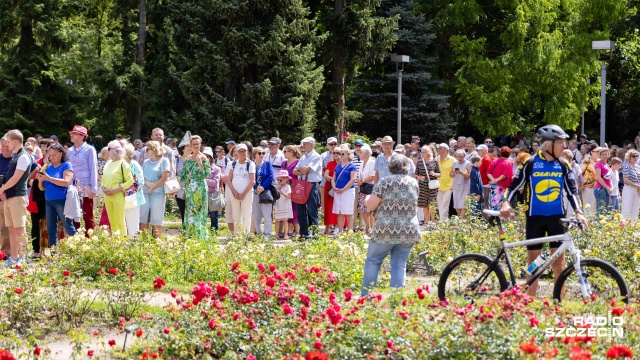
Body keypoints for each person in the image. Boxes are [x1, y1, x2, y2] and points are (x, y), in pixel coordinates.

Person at [500, 125, 588, 297]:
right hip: (535, 219)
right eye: (561, 143)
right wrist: (505, 202)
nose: (565, 147)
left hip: (557, 219)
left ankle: (557, 305)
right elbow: (513, 186)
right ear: (548, 144)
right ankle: (528, 303)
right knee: (534, 265)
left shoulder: (564, 165)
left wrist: (578, 211)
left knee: (558, 265)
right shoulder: (530, 163)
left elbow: (572, 192)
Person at [361, 155, 421, 296]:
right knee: (399, 264)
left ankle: (366, 297)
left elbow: (370, 205)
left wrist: (367, 198)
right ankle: (396, 299)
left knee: (373, 261)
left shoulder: (384, 182)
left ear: (390, 166)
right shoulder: (413, 183)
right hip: (408, 230)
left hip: (385, 229)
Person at [0, 130, 32, 267]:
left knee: (20, 229)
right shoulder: (16, 156)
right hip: (9, 198)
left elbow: (16, 178)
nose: (6, 145)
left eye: (8, 142)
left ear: (15, 141)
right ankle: (13, 257)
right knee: (12, 229)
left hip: (18, 197)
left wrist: (2, 189)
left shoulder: (23, 156)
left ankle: (23, 258)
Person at [37, 143, 77, 248]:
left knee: (68, 226)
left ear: (60, 154)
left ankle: (79, 248)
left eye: (54, 155)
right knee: (51, 228)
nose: (52, 157)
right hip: (49, 201)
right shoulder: (48, 168)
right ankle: (54, 252)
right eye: (50, 155)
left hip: (62, 200)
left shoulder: (66, 165)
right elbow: (42, 188)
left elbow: (66, 181)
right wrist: (40, 180)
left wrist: (49, 178)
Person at [67, 125, 98, 235]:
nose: (71, 135)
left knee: (87, 215)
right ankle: (76, 239)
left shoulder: (90, 150)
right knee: (74, 214)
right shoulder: (70, 151)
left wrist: (94, 188)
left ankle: (89, 240)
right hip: (72, 187)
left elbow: (93, 168)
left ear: (82, 136)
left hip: (86, 186)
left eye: (74, 134)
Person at [180, 135, 211, 240]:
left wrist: (200, 163)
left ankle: (200, 237)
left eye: (198, 144)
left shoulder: (204, 158)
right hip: (190, 190)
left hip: (200, 189)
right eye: (194, 144)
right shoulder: (188, 159)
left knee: (199, 213)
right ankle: (191, 236)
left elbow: (207, 174)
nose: (196, 146)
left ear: (200, 145)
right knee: (190, 212)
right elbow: (183, 176)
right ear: (190, 146)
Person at [101, 140, 133, 237]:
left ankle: (123, 243)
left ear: (115, 151)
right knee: (112, 221)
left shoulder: (123, 164)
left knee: (120, 221)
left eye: (109, 149)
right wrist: (103, 188)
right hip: (107, 196)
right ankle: (116, 242)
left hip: (118, 195)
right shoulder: (108, 163)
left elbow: (130, 181)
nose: (107, 151)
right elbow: (103, 179)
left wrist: (117, 189)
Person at [140, 141, 171, 239]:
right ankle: (144, 240)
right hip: (145, 192)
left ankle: (157, 240)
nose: (146, 151)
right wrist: (148, 184)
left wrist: (153, 187)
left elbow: (165, 177)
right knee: (143, 217)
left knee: (156, 217)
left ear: (154, 149)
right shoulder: (146, 162)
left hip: (158, 193)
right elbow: (141, 176)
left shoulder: (164, 161)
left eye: (147, 149)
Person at [293, 137, 322, 238]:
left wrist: (301, 170)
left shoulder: (316, 156)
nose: (303, 146)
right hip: (302, 184)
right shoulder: (303, 157)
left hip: (312, 184)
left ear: (311, 145)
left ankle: (314, 233)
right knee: (300, 209)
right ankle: (303, 233)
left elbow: (306, 170)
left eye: (305, 144)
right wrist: (302, 169)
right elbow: (294, 171)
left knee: (312, 210)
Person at [228, 143, 256, 233]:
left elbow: (252, 181)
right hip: (234, 193)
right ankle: (237, 235)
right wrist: (233, 192)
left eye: (244, 151)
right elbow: (229, 179)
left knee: (246, 214)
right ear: (237, 152)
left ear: (247, 152)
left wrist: (243, 194)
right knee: (236, 215)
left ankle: (245, 234)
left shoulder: (250, 164)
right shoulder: (233, 164)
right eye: (240, 151)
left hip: (247, 193)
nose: (242, 153)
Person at [332, 147, 358, 232]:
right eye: (340, 154)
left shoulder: (352, 166)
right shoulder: (338, 166)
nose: (340, 155)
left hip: (348, 191)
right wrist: (334, 187)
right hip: (338, 191)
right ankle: (340, 231)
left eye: (343, 154)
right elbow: (333, 178)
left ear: (348, 155)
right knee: (339, 212)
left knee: (349, 212)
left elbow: (353, 179)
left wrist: (343, 189)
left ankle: (350, 230)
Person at [252, 146, 275, 237]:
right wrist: (256, 187)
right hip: (255, 192)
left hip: (266, 193)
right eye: (259, 153)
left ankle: (267, 234)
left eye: (263, 153)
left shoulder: (267, 164)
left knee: (267, 215)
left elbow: (271, 177)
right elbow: (250, 178)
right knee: (257, 215)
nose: (262, 155)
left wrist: (262, 187)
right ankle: (258, 233)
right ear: (254, 155)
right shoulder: (252, 165)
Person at [123, 143, 145, 236]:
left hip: (133, 199)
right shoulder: (119, 165)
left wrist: (126, 190)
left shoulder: (134, 165)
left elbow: (140, 182)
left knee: (133, 224)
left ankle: (134, 246)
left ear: (127, 154)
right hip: (120, 198)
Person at [281, 145, 301, 236]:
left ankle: (298, 231)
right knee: (287, 208)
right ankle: (290, 229)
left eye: (285, 151)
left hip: (295, 188)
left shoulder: (298, 162)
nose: (284, 153)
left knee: (295, 209)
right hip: (286, 188)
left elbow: (299, 176)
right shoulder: (284, 163)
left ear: (291, 152)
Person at [356, 144, 376, 234]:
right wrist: (359, 180)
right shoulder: (361, 163)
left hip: (370, 188)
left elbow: (373, 176)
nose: (359, 153)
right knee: (363, 209)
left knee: (370, 209)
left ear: (365, 153)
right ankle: (367, 228)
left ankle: (373, 228)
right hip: (362, 188)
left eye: (361, 152)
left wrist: (362, 180)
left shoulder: (372, 162)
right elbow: (359, 175)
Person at [487, 146, 514, 211]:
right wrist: (497, 180)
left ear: (500, 153)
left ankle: (493, 219)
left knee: (493, 204)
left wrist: (493, 180)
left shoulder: (494, 161)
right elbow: (505, 175)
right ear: (509, 154)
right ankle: (504, 220)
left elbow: (488, 173)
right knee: (504, 205)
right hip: (504, 187)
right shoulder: (509, 163)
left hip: (493, 186)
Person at [202, 147, 221, 231]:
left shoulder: (216, 169)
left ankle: (214, 231)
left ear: (211, 158)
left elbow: (215, 183)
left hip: (213, 195)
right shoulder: (199, 167)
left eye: (207, 156)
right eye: (204, 156)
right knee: (202, 214)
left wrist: (202, 180)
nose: (205, 158)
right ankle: (203, 231)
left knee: (213, 215)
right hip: (202, 194)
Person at [174, 134, 191, 228]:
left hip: (192, 189)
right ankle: (185, 231)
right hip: (180, 190)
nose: (190, 148)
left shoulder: (195, 160)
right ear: (183, 148)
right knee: (183, 211)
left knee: (192, 212)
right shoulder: (177, 161)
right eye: (188, 145)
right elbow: (173, 174)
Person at [323, 148, 340, 235]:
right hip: (329, 187)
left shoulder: (343, 164)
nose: (336, 154)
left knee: (338, 207)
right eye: (334, 153)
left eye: (338, 153)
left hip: (340, 188)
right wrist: (333, 180)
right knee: (328, 207)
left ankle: (338, 226)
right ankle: (328, 227)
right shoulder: (330, 163)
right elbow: (326, 175)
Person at [450, 149, 472, 219]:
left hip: (465, 186)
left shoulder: (468, 163)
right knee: (456, 205)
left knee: (464, 205)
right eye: (458, 157)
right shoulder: (454, 163)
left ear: (464, 156)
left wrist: (462, 173)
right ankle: (462, 219)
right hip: (456, 185)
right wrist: (452, 173)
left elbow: (470, 176)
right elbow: (450, 174)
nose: (459, 158)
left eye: (461, 157)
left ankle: (461, 220)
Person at [436, 143, 454, 221]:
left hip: (448, 186)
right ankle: (444, 220)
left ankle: (442, 221)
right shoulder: (436, 159)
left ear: (446, 150)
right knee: (440, 205)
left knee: (445, 204)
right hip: (438, 186)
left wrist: (453, 173)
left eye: (441, 149)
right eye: (439, 149)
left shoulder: (452, 160)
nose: (439, 150)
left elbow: (455, 171)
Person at [222, 146, 237, 233]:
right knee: (229, 212)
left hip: (239, 190)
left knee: (238, 213)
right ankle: (231, 233)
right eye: (233, 151)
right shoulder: (230, 164)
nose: (235, 152)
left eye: (237, 151)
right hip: (229, 191)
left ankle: (239, 232)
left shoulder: (246, 164)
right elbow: (226, 178)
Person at [621, 150, 640, 220]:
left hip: (637, 190)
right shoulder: (626, 166)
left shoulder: (638, 167)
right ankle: (624, 227)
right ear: (629, 157)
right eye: (633, 156)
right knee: (627, 209)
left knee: (635, 209)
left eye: (637, 156)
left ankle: (633, 227)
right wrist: (637, 186)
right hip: (629, 189)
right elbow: (626, 180)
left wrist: (638, 187)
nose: (636, 158)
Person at [580, 144, 599, 215]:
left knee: (596, 208)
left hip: (598, 188)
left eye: (599, 151)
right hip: (588, 187)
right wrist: (581, 185)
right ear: (591, 152)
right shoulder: (587, 160)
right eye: (597, 151)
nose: (598, 153)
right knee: (588, 208)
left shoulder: (599, 161)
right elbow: (580, 173)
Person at [274, 170, 293, 239]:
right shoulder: (277, 187)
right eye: (278, 179)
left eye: (281, 180)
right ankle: (277, 234)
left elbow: (289, 197)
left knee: (285, 220)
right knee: (277, 220)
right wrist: (277, 190)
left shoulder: (287, 187)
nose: (279, 181)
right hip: (278, 205)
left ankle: (286, 234)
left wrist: (283, 193)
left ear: (286, 179)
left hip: (285, 205)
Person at [594, 148, 613, 215]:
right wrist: (607, 188)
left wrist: (610, 187)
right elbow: (598, 177)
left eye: (606, 154)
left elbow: (609, 178)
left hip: (606, 189)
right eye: (603, 154)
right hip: (601, 189)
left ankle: (602, 225)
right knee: (600, 210)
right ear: (600, 155)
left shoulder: (606, 164)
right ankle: (597, 225)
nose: (605, 156)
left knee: (605, 210)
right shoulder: (598, 164)